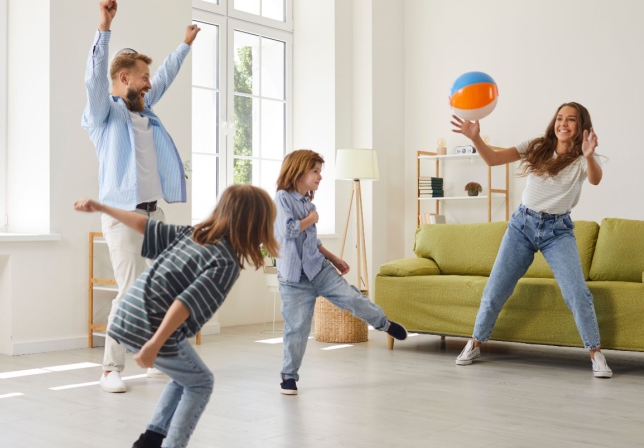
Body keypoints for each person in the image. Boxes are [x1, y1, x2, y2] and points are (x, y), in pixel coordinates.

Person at [74, 185, 279, 448]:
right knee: (201, 383)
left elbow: (142, 225)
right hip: (152, 324)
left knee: (187, 375)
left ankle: (150, 440)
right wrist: (154, 345)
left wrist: (102, 208)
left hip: (130, 313)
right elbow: (185, 303)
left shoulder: (194, 235)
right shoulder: (225, 262)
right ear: (254, 226)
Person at [82, 0, 200, 393]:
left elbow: (164, 77)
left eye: (149, 78)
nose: (150, 83)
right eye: (143, 77)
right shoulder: (105, 116)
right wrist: (104, 27)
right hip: (121, 216)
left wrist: (184, 46)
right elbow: (94, 81)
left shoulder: (146, 113)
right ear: (123, 78)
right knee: (131, 291)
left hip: (155, 215)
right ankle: (110, 369)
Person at [450, 101, 612, 378]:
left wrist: (589, 155)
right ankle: (475, 342)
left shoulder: (583, 159)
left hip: (558, 231)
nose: (563, 123)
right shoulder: (537, 146)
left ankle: (595, 353)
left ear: (581, 126)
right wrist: (475, 137)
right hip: (522, 226)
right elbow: (494, 160)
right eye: (560, 118)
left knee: (577, 293)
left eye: (571, 120)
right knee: (495, 289)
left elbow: (595, 179)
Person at [274, 149, 409, 395]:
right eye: (315, 171)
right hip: (293, 280)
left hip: (319, 270)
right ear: (298, 170)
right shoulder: (282, 199)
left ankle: (384, 324)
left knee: (352, 298)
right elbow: (287, 231)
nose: (320, 177)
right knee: (297, 328)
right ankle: (289, 377)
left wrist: (334, 259)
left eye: (320, 172)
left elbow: (311, 242)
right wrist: (312, 218)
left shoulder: (308, 203)